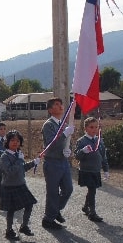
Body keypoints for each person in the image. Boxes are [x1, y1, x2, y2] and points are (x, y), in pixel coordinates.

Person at [41, 97, 75, 230]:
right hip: (52, 162)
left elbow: (68, 143)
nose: (61, 106)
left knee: (68, 189)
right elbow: (50, 144)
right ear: (50, 109)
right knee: (53, 192)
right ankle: (48, 219)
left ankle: (55, 210)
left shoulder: (65, 125)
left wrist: (69, 150)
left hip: (63, 162)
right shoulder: (48, 125)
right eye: (56, 104)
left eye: (61, 104)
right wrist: (64, 134)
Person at [0, 130, 40, 240]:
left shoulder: (18, 154)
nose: (15, 143)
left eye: (18, 140)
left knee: (29, 204)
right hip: (9, 186)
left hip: (21, 185)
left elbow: (22, 168)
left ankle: (24, 226)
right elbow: (10, 171)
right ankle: (9, 231)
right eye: (12, 140)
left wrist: (33, 163)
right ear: (7, 142)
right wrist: (19, 160)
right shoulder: (4, 156)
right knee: (11, 210)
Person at [74, 117, 109, 222]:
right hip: (86, 170)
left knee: (91, 190)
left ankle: (85, 207)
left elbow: (103, 156)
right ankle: (92, 213)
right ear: (86, 128)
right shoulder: (81, 141)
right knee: (92, 190)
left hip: (96, 170)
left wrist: (106, 169)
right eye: (91, 127)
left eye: (96, 127)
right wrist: (83, 151)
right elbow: (77, 156)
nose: (94, 129)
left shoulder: (100, 141)